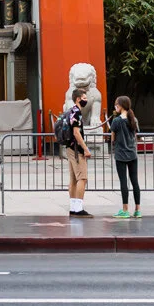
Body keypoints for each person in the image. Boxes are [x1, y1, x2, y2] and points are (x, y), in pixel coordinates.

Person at [56, 86, 92, 218]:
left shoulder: (70, 111)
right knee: (82, 178)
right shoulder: (76, 113)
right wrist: (86, 149)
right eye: (84, 98)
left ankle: (73, 207)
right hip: (76, 149)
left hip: (69, 148)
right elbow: (77, 133)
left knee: (73, 179)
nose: (86, 100)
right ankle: (78, 209)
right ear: (78, 99)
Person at [110, 95, 141, 218]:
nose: (115, 107)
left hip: (120, 154)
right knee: (135, 182)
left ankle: (125, 209)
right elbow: (135, 135)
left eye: (116, 105)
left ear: (121, 106)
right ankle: (138, 210)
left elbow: (112, 137)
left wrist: (115, 144)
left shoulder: (116, 121)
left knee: (124, 182)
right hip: (132, 154)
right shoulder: (134, 119)